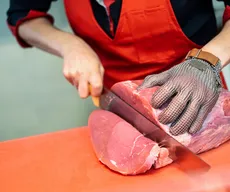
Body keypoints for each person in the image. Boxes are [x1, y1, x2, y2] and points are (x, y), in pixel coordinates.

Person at [6, 0, 230, 136]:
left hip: (196, 96)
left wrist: (205, 62)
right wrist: (71, 46)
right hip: (118, 104)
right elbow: (24, 16)